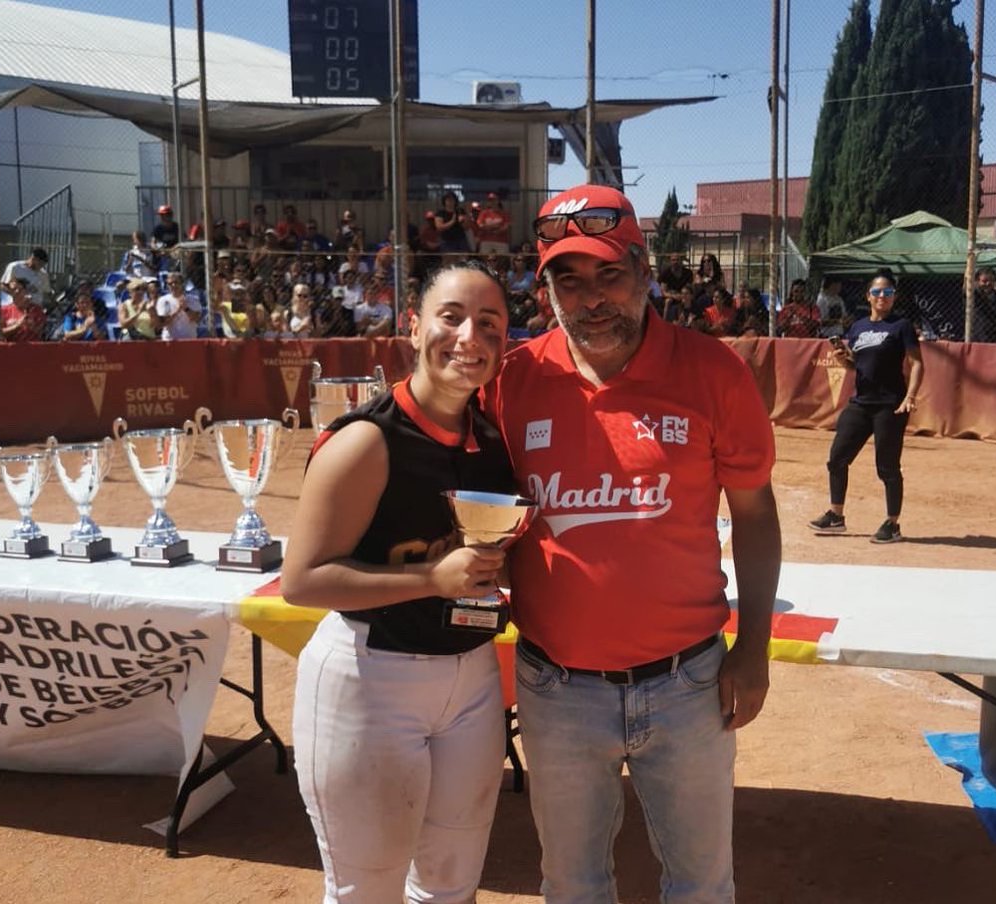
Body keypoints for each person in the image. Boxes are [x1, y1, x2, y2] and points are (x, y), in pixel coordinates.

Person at [486, 184, 780, 902]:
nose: (592, 299)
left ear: (645, 271)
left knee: (701, 884)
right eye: (568, 280)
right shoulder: (514, 381)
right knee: (573, 883)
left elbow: (755, 514)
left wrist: (754, 648)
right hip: (555, 687)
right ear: (547, 290)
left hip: (689, 686)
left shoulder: (713, 372)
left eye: (610, 274)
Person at [281, 259, 513, 904]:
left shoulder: (492, 440)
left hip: (471, 675)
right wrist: (431, 577)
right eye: (451, 317)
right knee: (365, 889)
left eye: (489, 324)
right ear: (413, 328)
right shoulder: (366, 439)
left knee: (452, 885)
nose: (469, 337)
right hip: (370, 675)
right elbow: (303, 581)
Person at [809, 267, 924, 544]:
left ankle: (892, 524)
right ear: (868, 296)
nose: (882, 296)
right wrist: (843, 360)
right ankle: (836, 515)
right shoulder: (858, 327)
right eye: (877, 292)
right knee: (837, 458)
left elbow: (917, 363)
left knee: (887, 467)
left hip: (890, 405)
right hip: (861, 403)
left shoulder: (901, 326)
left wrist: (910, 397)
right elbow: (857, 365)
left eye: (888, 292)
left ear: (894, 296)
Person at [157, 273, 202, 340]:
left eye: (176, 282)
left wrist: (186, 308)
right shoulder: (163, 300)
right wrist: (178, 310)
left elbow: (197, 320)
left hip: (189, 340)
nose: (173, 285)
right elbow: (163, 323)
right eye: (170, 284)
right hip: (170, 340)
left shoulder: (193, 299)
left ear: (182, 284)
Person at [971, 267, 996, 343]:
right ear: (978, 281)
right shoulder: (974, 296)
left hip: (995, 339)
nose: (988, 283)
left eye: (991, 280)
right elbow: (966, 288)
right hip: (976, 339)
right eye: (984, 281)